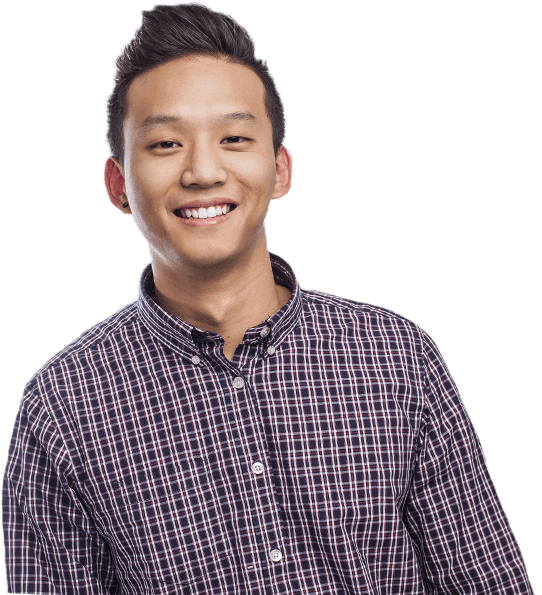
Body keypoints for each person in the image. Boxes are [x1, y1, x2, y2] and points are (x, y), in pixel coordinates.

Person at [1, 3, 534, 594]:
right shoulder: (61, 410)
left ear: (279, 169)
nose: (203, 171)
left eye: (234, 138)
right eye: (164, 144)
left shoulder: (396, 359)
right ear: (118, 184)